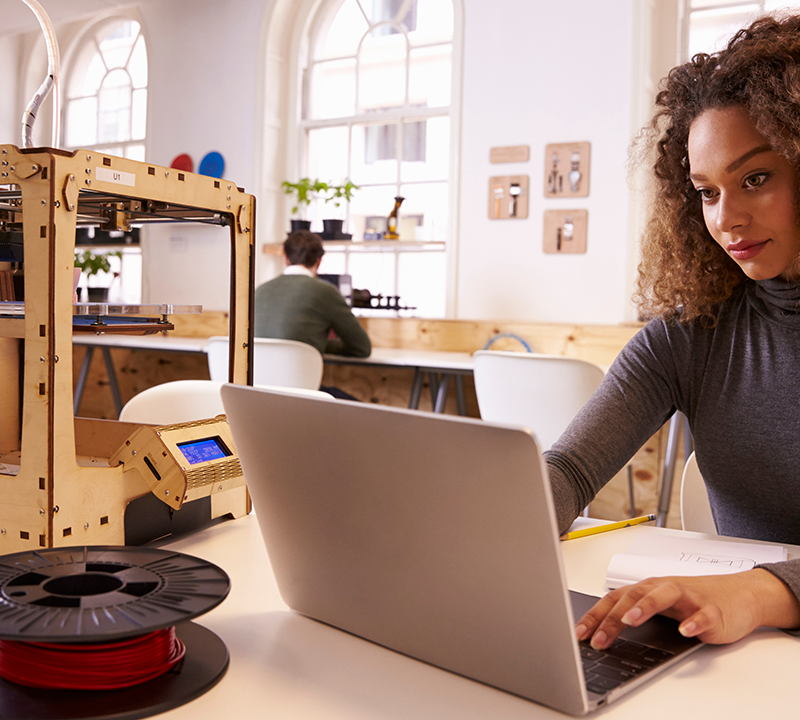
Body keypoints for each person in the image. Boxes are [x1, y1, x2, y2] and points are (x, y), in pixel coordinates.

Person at [546, 13, 800, 651]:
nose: (728, 218)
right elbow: (571, 468)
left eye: (756, 179)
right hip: (752, 660)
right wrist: (488, 526)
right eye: (706, 192)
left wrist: (758, 591)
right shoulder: (691, 333)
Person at [254, 230, 371, 359]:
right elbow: (362, 347)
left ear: (285, 258)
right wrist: (316, 344)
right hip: (300, 376)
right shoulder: (325, 292)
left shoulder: (259, 291)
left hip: (257, 377)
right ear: (319, 260)